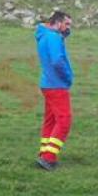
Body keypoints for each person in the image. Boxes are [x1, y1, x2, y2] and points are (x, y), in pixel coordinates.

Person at [35, 11, 73, 170]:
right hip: (57, 85)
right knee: (64, 120)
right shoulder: (54, 37)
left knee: (50, 120)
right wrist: (68, 77)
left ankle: (44, 152)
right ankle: (49, 157)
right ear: (57, 23)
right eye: (67, 24)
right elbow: (57, 61)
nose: (68, 28)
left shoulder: (44, 36)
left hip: (47, 84)